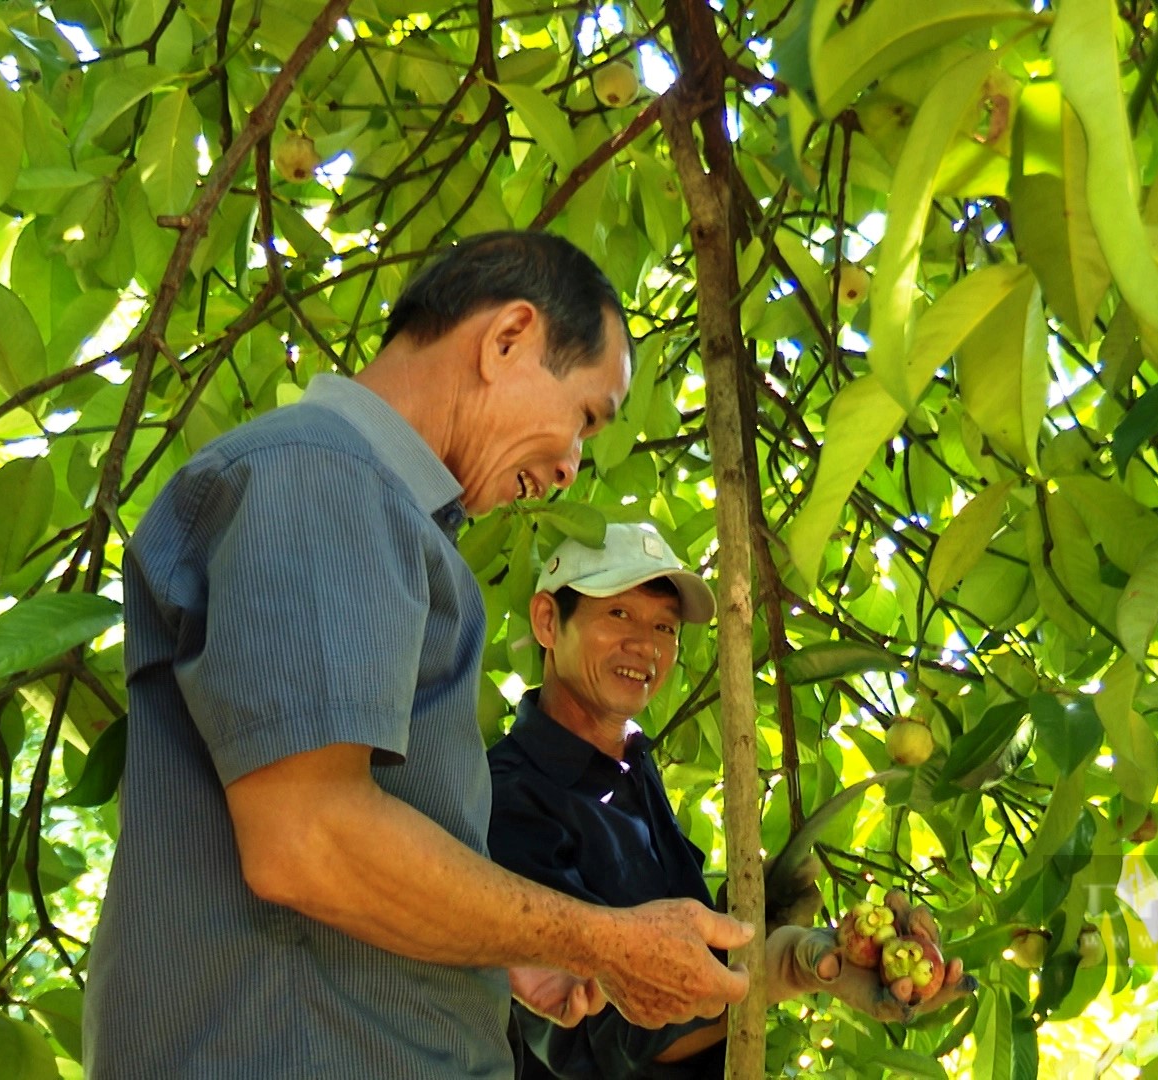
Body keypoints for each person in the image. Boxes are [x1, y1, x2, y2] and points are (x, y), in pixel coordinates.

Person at [84, 232, 751, 1079]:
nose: (572, 467)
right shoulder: (322, 475)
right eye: (585, 417)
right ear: (509, 338)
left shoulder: (382, 511)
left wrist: (497, 951)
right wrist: (601, 940)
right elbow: (308, 837)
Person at [486, 524, 974, 1078]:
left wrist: (798, 945)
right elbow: (600, 1037)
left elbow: (686, 959)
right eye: (618, 614)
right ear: (549, 621)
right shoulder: (504, 796)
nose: (645, 645)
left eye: (665, 626)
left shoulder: (633, 765)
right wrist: (781, 969)